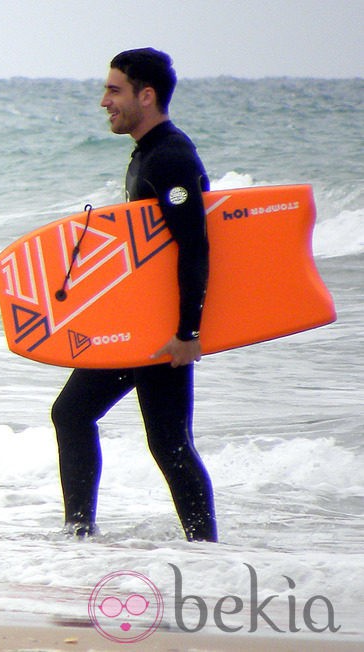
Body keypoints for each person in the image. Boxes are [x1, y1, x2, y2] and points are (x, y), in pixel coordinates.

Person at [50, 48, 217, 542]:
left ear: (147, 95)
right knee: (167, 442)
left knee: (88, 417)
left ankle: (80, 534)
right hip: (149, 322)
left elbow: (195, 248)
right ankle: (202, 547)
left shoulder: (170, 158)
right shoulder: (149, 153)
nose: (104, 101)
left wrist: (187, 332)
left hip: (164, 331)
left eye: (114, 89)